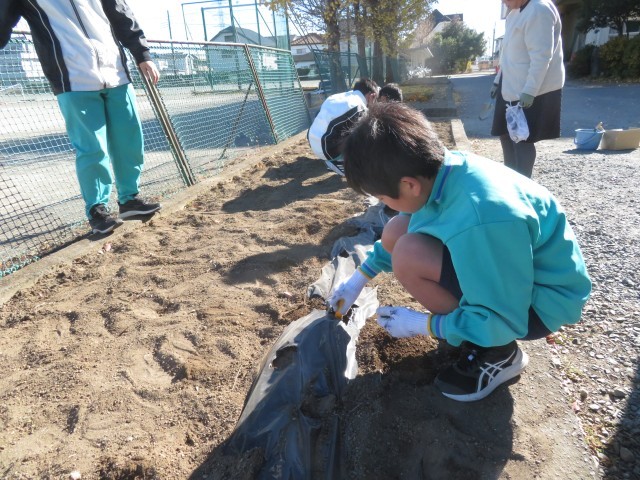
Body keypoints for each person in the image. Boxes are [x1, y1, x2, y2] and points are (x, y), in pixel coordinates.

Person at [328, 102, 591, 402]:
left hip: (537, 305)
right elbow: (408, 225)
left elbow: (505, 317)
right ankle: (469, 328)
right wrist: (359, 279)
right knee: (397, 230)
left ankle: (498, 351)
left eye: (383, 198)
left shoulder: (482, 217)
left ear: (409, 185)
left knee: (408, 256)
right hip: (513, 271)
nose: (384, 204)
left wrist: (424, 324)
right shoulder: (442, 171)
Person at [0, 0, 162, 234]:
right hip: (71, 78)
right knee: (92, 148)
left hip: (117, 72)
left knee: (129, 140)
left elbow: (121, 14)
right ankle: (97, 210)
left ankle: (129, 200)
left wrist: (142, 53)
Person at [490, 0, 564, 179]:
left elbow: (541, 56)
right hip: (509, 85)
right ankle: (510, 179)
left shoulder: (539, 9)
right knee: (505, 133)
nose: (503, 2)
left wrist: (530, 90)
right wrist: (497, 80)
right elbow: (507, 53)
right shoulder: (513, 14)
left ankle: (522, 184)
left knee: (521, 138)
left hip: (530, 88)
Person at [307, 78, 378, 176]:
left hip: (313, 140)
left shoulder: (336, 97)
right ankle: (339, 163)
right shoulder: (359, 107)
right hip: (326, 150)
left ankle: (332, 160)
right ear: (372, 95)